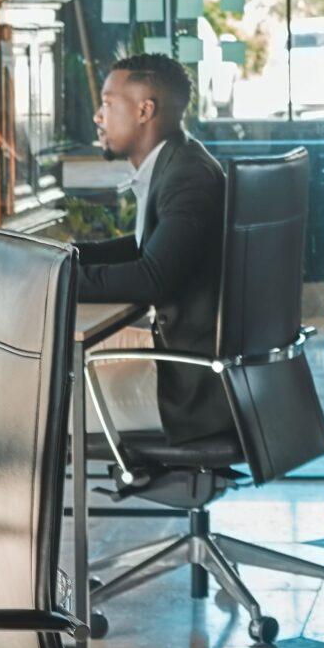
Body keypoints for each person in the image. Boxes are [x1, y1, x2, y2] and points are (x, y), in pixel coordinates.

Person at [74, 52, 230, 443]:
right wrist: (66, 257)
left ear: (144, 110)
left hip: (191, 392)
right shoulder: (178, 161)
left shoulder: (188, 177)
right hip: (189, 372)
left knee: (41, 397)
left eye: (108, 104)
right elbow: (149, 247)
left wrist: (52, 280)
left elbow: (151, 278)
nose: (98, 116)